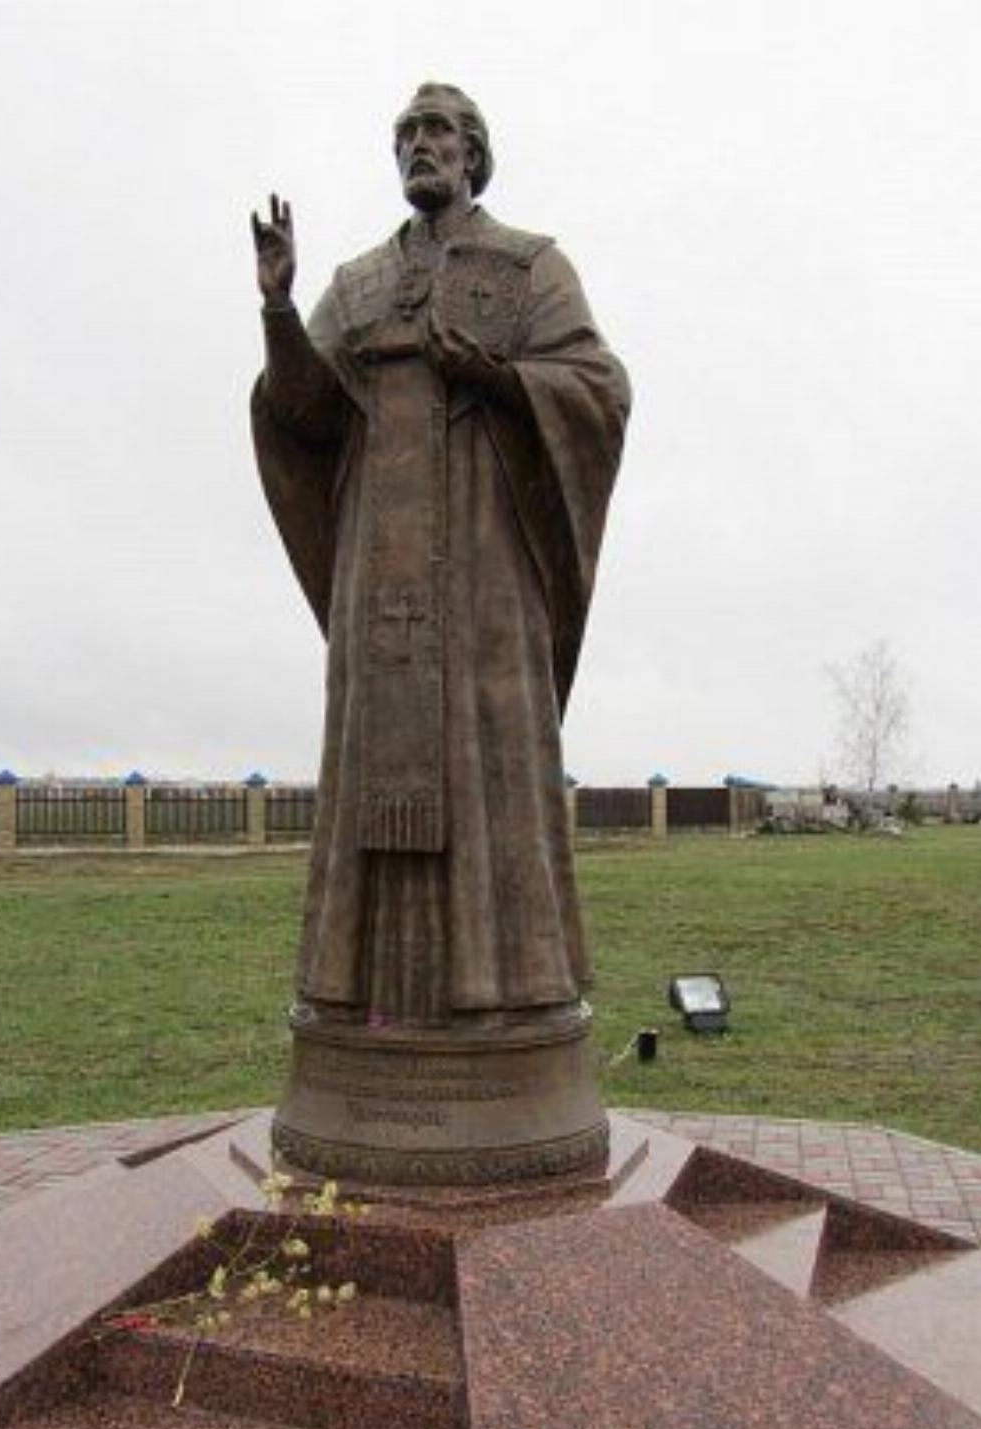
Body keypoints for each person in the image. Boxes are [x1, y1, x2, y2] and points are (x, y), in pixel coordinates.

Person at [252, 83, 630, 1034]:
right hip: (379, 572)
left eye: (438, 132)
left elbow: (600, 387)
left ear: (474, 154)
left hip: (487, 563)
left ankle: (512, 996)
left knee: (489, 751)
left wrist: (496, 377)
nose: (420, 146)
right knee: (369, 758)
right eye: (407, 134)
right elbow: (304, 412)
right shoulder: (359, 283)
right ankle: (361, 1000)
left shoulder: (530, 265)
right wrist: (280, 309)